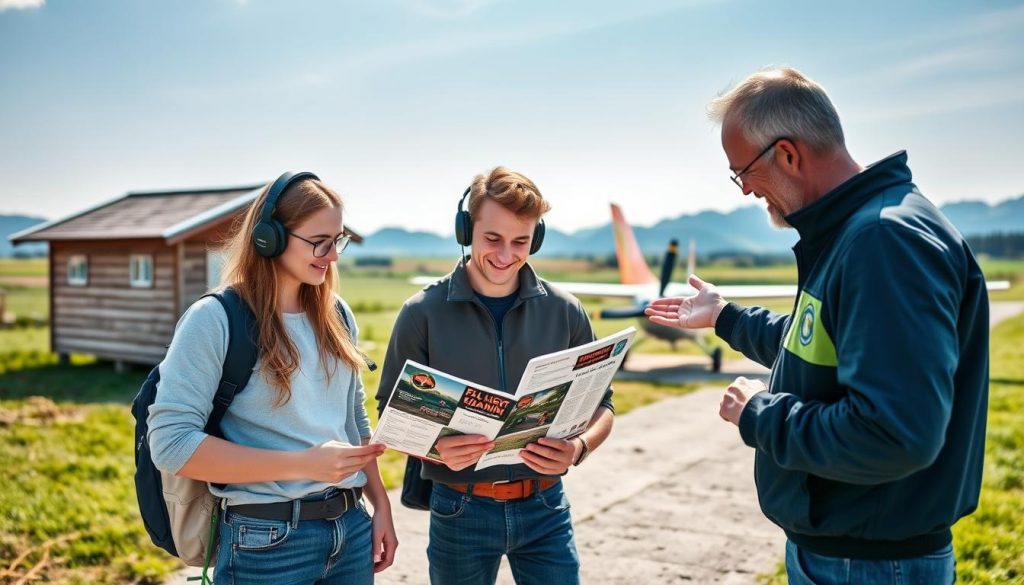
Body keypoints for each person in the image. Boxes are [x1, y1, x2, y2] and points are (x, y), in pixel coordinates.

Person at [645, 68, 989, 584]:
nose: (744, 192)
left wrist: (760, 415)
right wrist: (726, 317)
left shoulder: (883, 242)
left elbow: (895, 435)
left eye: (742, 173)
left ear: (786, 154)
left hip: (869, 564)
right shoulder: (859, 231)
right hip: (853, 554)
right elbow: (819, 345)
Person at [148, 172, 397, 584]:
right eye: (319, 241)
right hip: (265, 541)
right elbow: (171, 445)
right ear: (269, 238)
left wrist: (380, 505)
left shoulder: (337, 314)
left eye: (337, 240)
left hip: (350, 529)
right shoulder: (214, 319)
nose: (332, 255)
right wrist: (304, 465)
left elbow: (354, 420)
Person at [376, 166, 614, 585]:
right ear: (466, 230)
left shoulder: (565, 311)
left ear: (536, 238)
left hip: (546, 508)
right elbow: (390, 415)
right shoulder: (421, 313)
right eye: (493, 239)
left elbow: (604, 405)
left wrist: (578, 447)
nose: (506, 254)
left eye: (521, 241)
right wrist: (435, 448)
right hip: (459, 510)